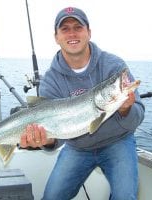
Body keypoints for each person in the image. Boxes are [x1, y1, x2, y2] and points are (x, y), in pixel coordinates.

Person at [20, 7, 145, 200]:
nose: (72, 33)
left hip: (118, 142)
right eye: (65, 29)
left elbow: (138, 115)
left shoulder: (114, 66)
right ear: (56, 37)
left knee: (125, 197)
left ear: (89, 32)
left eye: (78, 27)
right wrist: (47, 140)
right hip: (77, 148)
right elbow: (57, 136)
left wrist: (126, 109)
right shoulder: (51, 80)